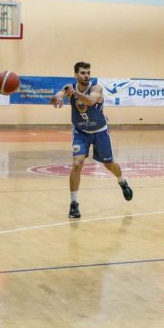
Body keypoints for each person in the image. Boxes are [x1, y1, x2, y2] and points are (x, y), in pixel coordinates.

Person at [51, 62, 133, 218]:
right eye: (83, 73)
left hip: (100, 132)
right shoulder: (70, 88)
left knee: (109, 164)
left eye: (88, 72)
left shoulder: (96, 89)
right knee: (77, 164)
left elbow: (89, 101)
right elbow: (58, 95)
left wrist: (74, 94)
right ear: (76, 75)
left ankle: (122, 182)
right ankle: (74, 205)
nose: (86, 75)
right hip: (80, 132)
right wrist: (57, 98)